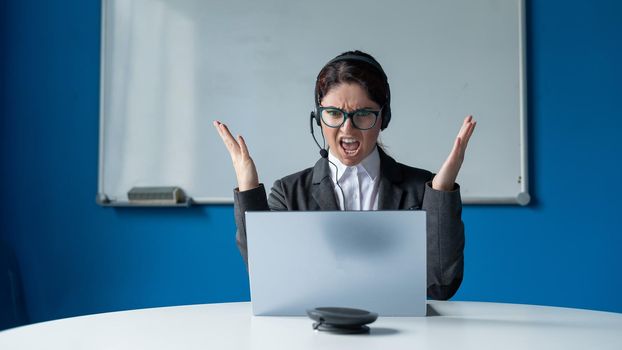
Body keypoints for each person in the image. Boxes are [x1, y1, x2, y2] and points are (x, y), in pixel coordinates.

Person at [213, 50, 476, 300]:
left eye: (362, 114)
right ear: (318, 117)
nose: (347, 128)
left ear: (383, 117)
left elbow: (441, 286)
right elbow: (267, 275)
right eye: (334, 114)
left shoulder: (420, 188)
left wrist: (441, 191)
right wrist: (247, 185)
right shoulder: (289, 192)